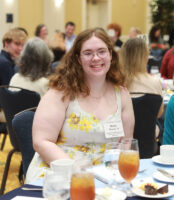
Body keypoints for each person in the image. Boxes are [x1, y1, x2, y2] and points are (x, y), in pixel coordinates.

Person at [25, 28, 135, 183]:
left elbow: (126, 143)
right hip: (58, 173)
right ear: (78, 58)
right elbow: (41, 142)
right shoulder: (61, 92)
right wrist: (75, 171)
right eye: (88, 53)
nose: (96, 58)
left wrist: (113, 175)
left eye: (102, 51)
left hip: (105, 176)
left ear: (111, 54)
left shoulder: (122, 95)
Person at [120, 38, 163, 138]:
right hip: (147, 143)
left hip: (121, 142)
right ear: (145, 57)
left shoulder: (115, 82)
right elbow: (158, 114)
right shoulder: (155, 82)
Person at [0, 28, 27, 123]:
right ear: (6, 43)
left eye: (22, 45)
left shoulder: (5, 60)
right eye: (17, 44)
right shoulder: (5, 63)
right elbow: (10, 92)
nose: (20, 48)